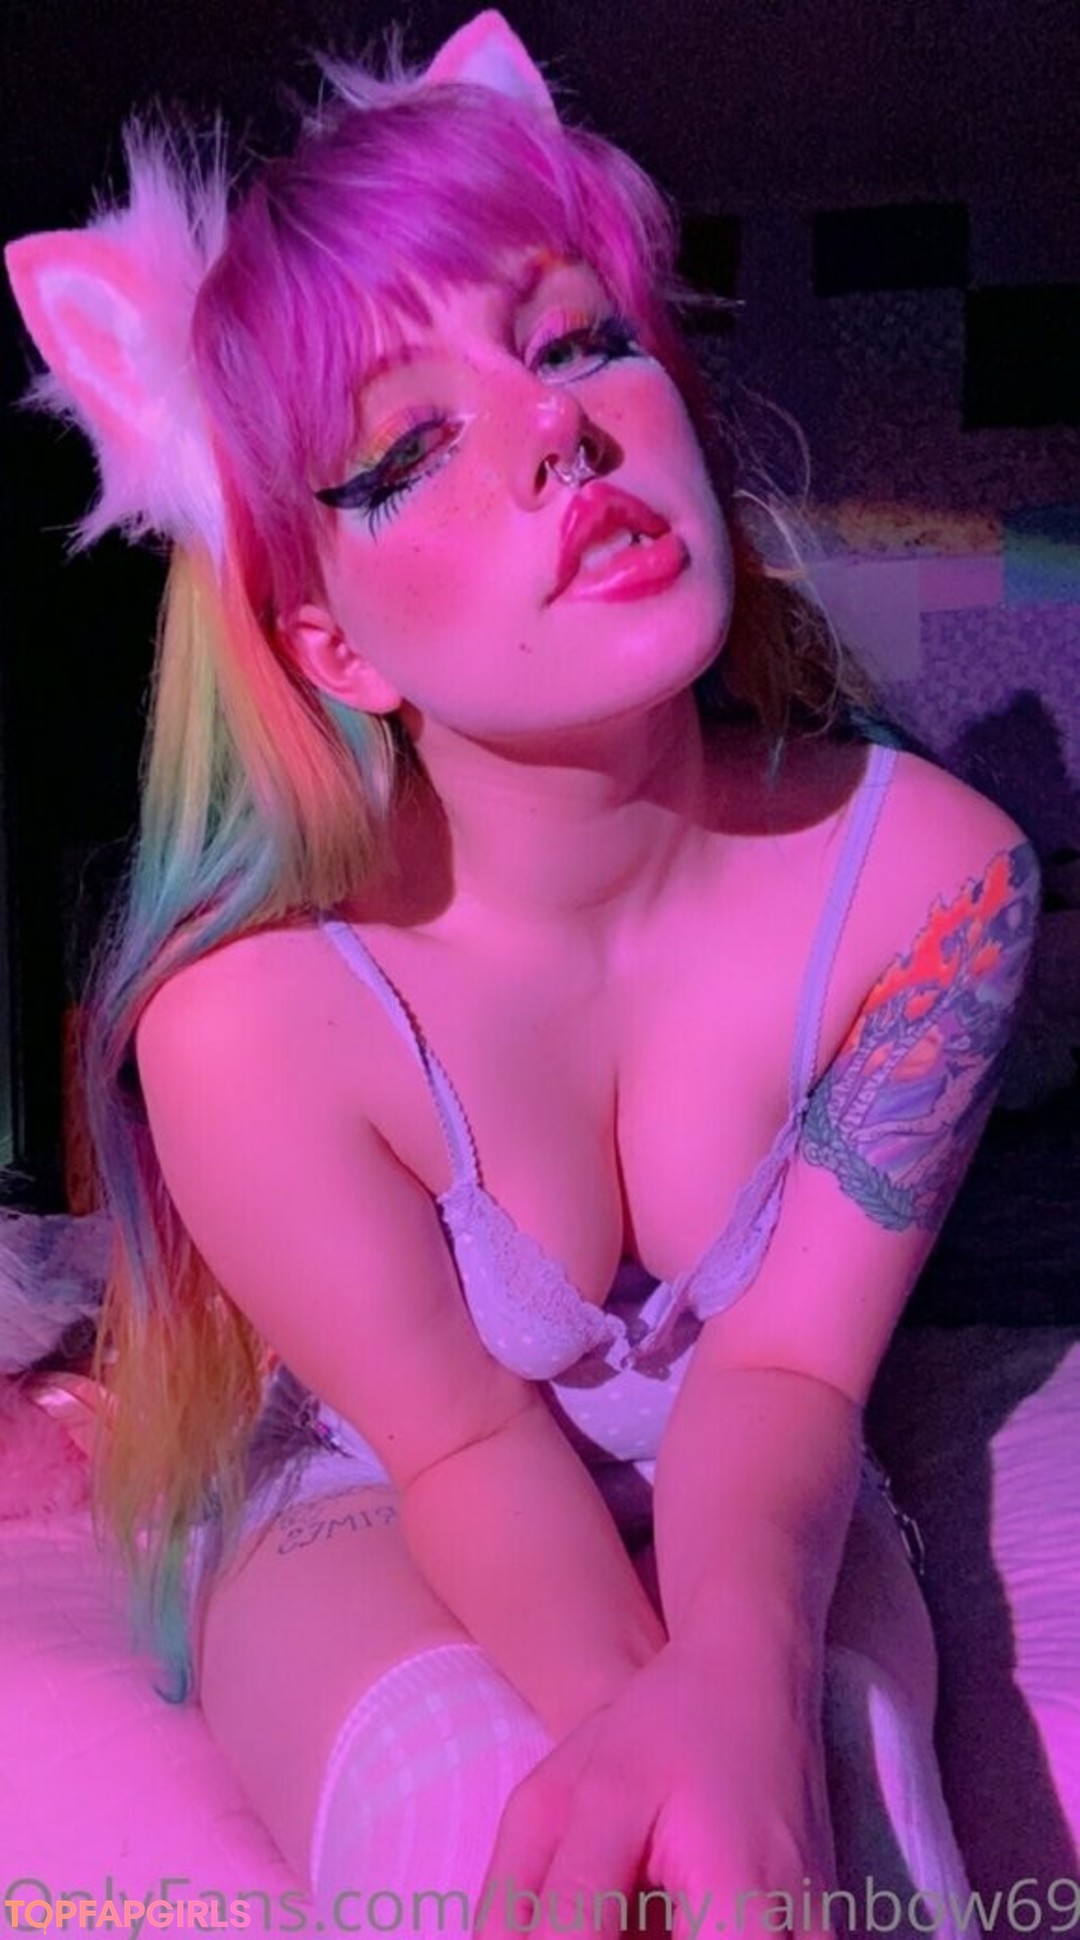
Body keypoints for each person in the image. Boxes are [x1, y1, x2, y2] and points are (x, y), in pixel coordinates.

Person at [5, 12, 1039, 1936]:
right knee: (476, 1815)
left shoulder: (939, 888)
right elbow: (464, 1440)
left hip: (772, 1478)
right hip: (385, 1486)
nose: (560, 426)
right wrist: (659, 1748)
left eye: (576, 341)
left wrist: (737, 1706)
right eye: (407, 446)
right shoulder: (256, 1025)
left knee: (846, 1807)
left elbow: (788, 1373)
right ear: (330, 646)